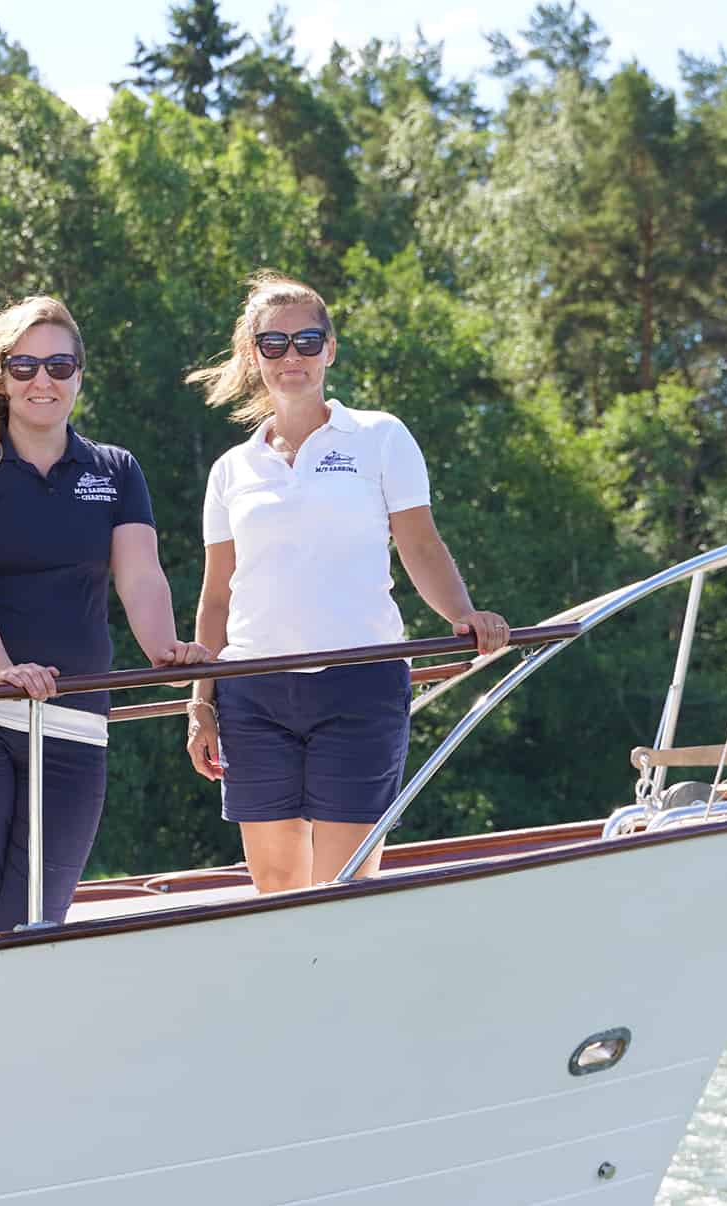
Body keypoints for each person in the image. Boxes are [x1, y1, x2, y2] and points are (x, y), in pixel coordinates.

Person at [0, 296, 208, 937]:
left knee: (37, 922)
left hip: (70, 719)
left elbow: (140, 575)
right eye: (25, 366)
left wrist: (165, 649)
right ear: (2, 376)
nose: (43, 381)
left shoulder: (116, 471)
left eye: (59, 366)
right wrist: (3, 673)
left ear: (80, 375)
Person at [183, 271, 508, 891]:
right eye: (274, 344)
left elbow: (420, 545)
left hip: (361, 681)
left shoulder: (381, 437)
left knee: (346, 885)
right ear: (254, 356)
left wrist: (464, 615)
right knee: (276, 887)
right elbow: (217, 596)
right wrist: (201, 705)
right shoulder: (231, 469)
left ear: (330, 349)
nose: (292, 356)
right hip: (252, 691)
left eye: (307, 341)